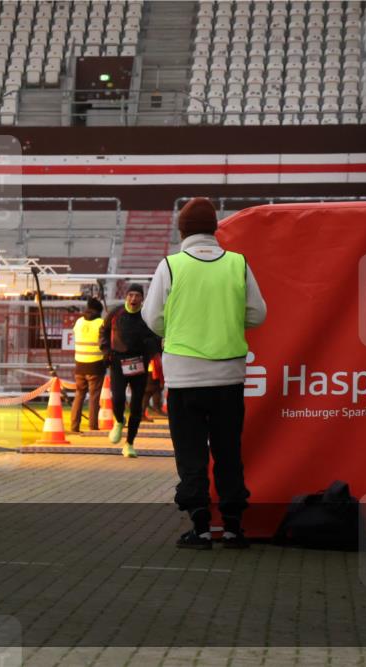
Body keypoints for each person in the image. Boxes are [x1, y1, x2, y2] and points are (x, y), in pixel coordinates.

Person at [142, 197, 267, 550]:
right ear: (214, 229)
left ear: (182, 230)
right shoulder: (238, 264)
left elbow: (152, 318)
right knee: (228, 451)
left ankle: (199, 526)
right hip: (229, 376)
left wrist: (178, 327)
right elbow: (258, 315)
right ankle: (232, 526)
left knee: (191, 453)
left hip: (184, 378)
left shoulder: (170, 266)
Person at [99, 284, 160, 458]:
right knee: (117, 398)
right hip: (118, 362)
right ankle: (119, 421)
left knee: (136, 406)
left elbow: (157, 336)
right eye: (131, 295)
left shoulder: (147, 316)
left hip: (140, 363)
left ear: (142, 298)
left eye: (137, 296)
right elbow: (103, 331)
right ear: (126, 297)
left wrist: (150, 348)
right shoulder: (116, 313)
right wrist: (106, 351)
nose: (133, 299)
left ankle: (129, 443)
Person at [69, 298, 107, 433]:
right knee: (94, 396)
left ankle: (74, 427)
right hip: (96, 366)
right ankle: (93, 426)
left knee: (79, 395)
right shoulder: (101, 323)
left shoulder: (79, 322)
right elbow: (105, 342)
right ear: (100, 311)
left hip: (79, 365)